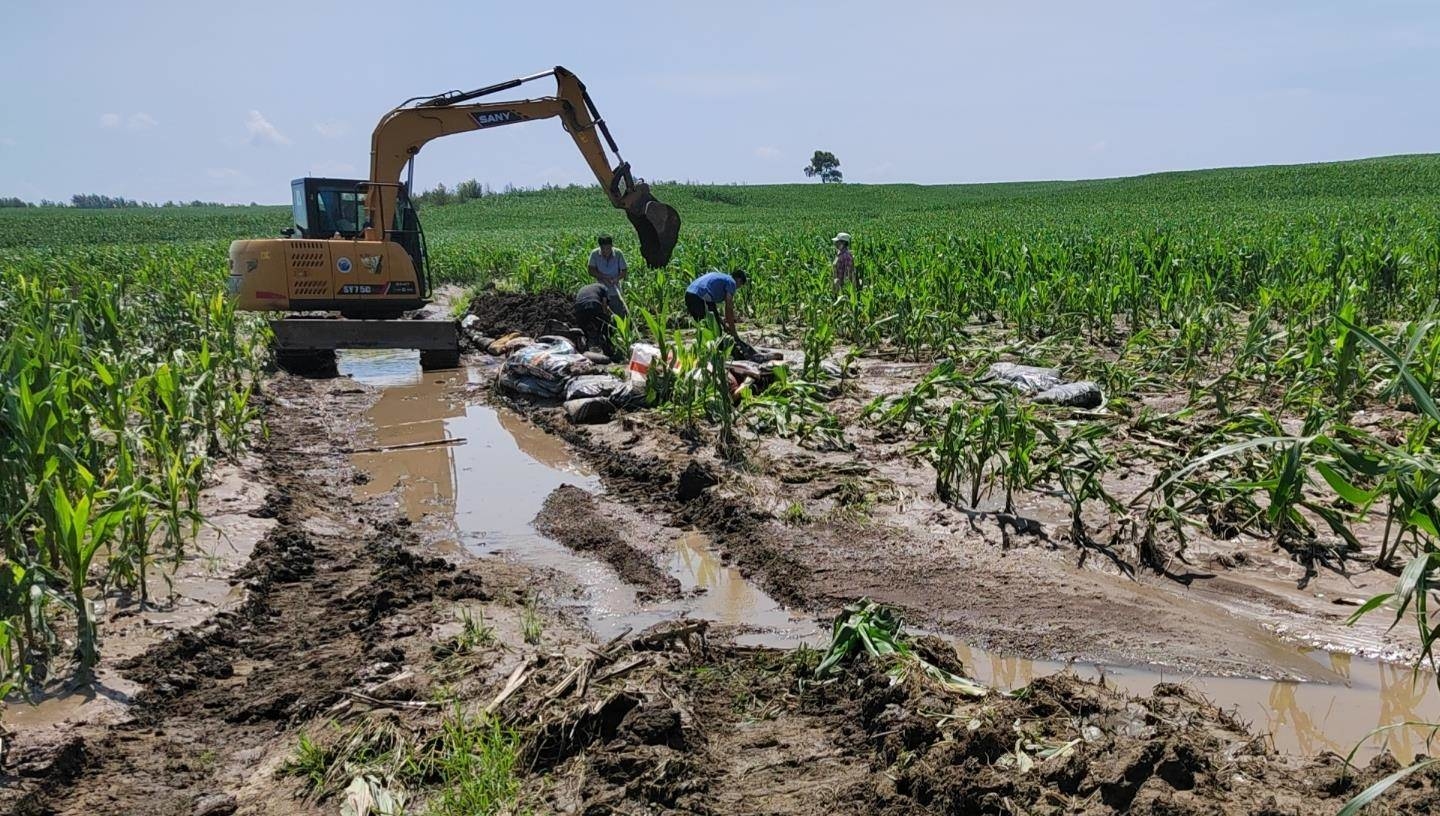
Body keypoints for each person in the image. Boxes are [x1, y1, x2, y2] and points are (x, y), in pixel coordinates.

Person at [587, 234, 628, 318]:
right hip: (600, 289)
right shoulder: (594, 254)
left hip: (614, 289)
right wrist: (603, 277)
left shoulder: (618, 253)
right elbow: (591, 270)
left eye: (608, 248)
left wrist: (617, 279)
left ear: (612, 246)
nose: (605, 251)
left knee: (619, 314)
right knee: (603, 314)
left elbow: (624, 271)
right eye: (603, 249)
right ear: (600, 247)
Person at [573, 282, 617, 360]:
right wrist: (607, 318)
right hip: (593, 303)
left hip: (578, 307)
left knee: (583, 331)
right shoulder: (604, 288)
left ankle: (583, 350)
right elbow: (604, 305)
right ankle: (609, 351)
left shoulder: (586, 287)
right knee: (604, 328)